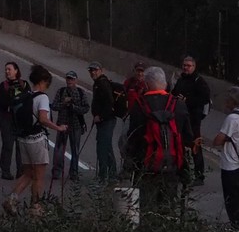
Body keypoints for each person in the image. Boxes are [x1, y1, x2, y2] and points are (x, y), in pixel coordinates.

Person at [125, 66, 196, 216]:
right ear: (165, 84)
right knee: (168, 208)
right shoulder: (179, 105)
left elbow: (132, 138)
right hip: (171, 166)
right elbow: (189, 138)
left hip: (146, 167)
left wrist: (129, 165)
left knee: (146, 209)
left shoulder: (140, 105)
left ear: (146, 84)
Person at [5, 65, 62, 215]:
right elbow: (43, 119)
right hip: (37, 140)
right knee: (39, 176)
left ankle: (12, 198)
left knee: (28, 173)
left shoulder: (26, 96)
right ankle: (36, 206)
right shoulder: (42, 98)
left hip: (24, 139)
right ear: (43, 81)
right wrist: (58, 127)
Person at [209, 88, 239, 230]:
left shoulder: (232, 118)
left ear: (232, 101)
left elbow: (218, 140)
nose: (225, 101)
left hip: (230, 164)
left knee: (232, 199)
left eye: (227, 99)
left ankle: (236, 227)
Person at [172, 56, 211, 186]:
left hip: (193, 119)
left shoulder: (199, 81)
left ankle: (199, 175)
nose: (186, 68)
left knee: (195, 146)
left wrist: (187, 100)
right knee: (180, 145)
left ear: (194, 67)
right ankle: (182, 173)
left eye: (188, 66)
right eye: (184, 65)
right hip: (180, 118)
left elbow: (205, 98)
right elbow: (173, 93)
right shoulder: (181, 80)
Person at [50, 70, 90, 183]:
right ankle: (57, 171)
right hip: (62, 124)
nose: (69, 81)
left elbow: (86, 108)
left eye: (72, 79)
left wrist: (74, 107)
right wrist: (64, 104)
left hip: (76, 125)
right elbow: (54, 106)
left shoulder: (81, 93)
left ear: (76, 80)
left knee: (75, 150)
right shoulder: (61, 91)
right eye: (68, 78)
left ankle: (74, 172)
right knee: (59, 149)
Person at [0, 60, 29, 180]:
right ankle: (5, 171)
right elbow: (1, 102)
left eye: (9, 69)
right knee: (8, 144)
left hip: (20, 119)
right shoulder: (3, 85)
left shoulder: (24, 84)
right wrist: (14, 100)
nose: (7, 72)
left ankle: (21, 171)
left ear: (16, 71)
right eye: (6, 70)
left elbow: (28, 99)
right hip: (6, 118)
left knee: (21, 146)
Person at [88, 62, 120, 182]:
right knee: (106, 147)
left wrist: (100, 117)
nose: (93, 72)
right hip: (105, 120)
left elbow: (110, 103)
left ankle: (103, 176)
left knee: (102, 147)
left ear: (101, 70)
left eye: (95, 70)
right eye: (91, 70)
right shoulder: (98, 83)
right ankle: (112, 174)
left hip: (107, 120)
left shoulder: (103, 83)